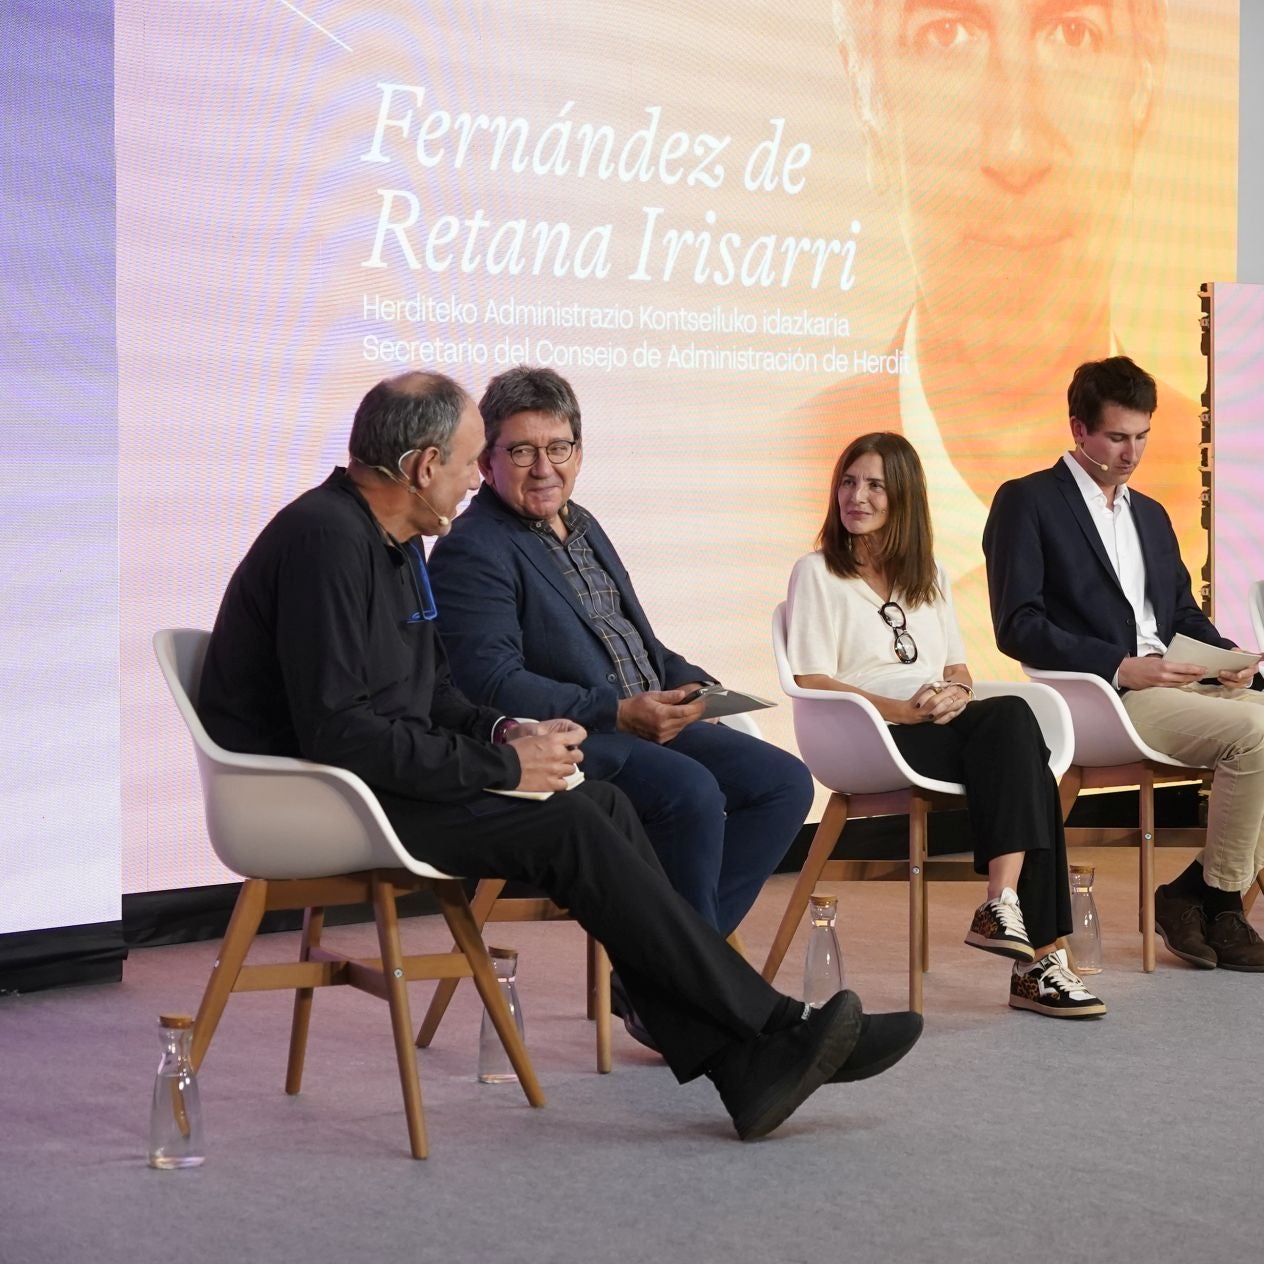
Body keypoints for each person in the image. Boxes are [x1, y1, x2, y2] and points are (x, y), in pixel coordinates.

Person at [195, 370, 918, 1141]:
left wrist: (512, 736)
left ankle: (745, 1063)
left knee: (597, 804)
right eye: (475, 461)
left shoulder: (398, 544)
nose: (480, 480)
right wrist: (505, 769)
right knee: (578, 821)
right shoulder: (324, 541)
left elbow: (435, 700)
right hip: (321, 798)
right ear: (420, 467)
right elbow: (340, 734)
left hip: (379, 775)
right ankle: (769, 1028)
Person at [797, 0, 1200, 655]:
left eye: (1073, 33)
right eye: (946, 34)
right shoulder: (781, 465)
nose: (1015, 147)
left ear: (1143, 91)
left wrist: (1228, 664)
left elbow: (1184, 623)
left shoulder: (1187, 494)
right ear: (871, 105)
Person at [984, 357, 1264, 971]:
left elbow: (1181, 613)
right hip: (1105, 697)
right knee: (1258, 733)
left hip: (1182, 685)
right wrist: (1120, 665)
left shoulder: (1150, 514)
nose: (1131, 453)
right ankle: (1224, 906)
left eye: (1142, 437)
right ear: (1078, 429)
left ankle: (1198, 893)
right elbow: (1017, 625)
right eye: (1117, 437)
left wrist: (1229, 661)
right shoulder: (1027, 501)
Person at [429, 366, 812, 938]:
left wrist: (694, 685)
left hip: (641, 721)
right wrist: (613, 711)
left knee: (784, 783)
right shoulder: (472, 548)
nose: (544, 468)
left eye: (558, 447)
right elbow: (488, 680)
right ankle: (689, 985)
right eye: (523, 451)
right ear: (487, 461)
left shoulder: (583, 524)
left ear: (579, 453)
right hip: (577, 736)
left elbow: (633, 639)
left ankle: (680, 963)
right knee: (691, 792)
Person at [787, 431, 1105, 1018]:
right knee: (1016, 729)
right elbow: (812, 681)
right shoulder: (816, 573)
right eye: (849, 482)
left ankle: (1009, 915)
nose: (856, 496)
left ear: (903, 496)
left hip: (938, 726)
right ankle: (1035, 957)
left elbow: (956, 665)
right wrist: (901, 710)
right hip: (871, 735)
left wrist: (957, 692)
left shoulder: (926, 573)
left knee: (1018, 736)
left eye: (875, 485)